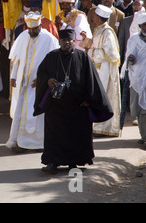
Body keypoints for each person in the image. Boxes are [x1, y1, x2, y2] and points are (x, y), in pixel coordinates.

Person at [34, 29, 113, 174]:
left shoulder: (82, 57)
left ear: (73, 42)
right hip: (56, 106)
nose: (67, 43)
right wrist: (48, 80)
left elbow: (92, 80)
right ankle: (52, 162)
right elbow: (41, 74)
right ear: (59, 42)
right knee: (54, 135)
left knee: (76, 135)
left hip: (77, 105)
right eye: (64, 40)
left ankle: (74, 163)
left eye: (69, 41)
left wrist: (89, 100)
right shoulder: (51, 56)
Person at [7, 12, 59, 152]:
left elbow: (54, 63)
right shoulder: (24, 35)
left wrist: (43, 79)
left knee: (36, 112)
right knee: (22, 111)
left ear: (40, 25)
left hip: (39, 85)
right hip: (23, 83)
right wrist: (13, 76)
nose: (31, 31)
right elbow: (16, 59)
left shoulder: (49, 39)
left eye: (34, 29)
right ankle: (19, 141)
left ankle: (37, 143)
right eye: (29, 29)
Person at [88, 5, 121, 137]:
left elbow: (112, 54)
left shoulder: (108, 32)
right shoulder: (98, 30)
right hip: (97, 69)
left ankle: (106, 127)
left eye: (95, 15)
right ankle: (97, 125)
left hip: (105, 70)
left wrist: (91, 51)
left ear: (99, 17)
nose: (93, 17)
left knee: (104, 96)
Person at [124, 12, 146, 149]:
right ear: (140, 25)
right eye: (145, 25)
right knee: (139, 108)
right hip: (137, 77)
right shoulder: (134, 39)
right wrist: (131, 58)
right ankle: (144, 134)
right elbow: (130, 54)